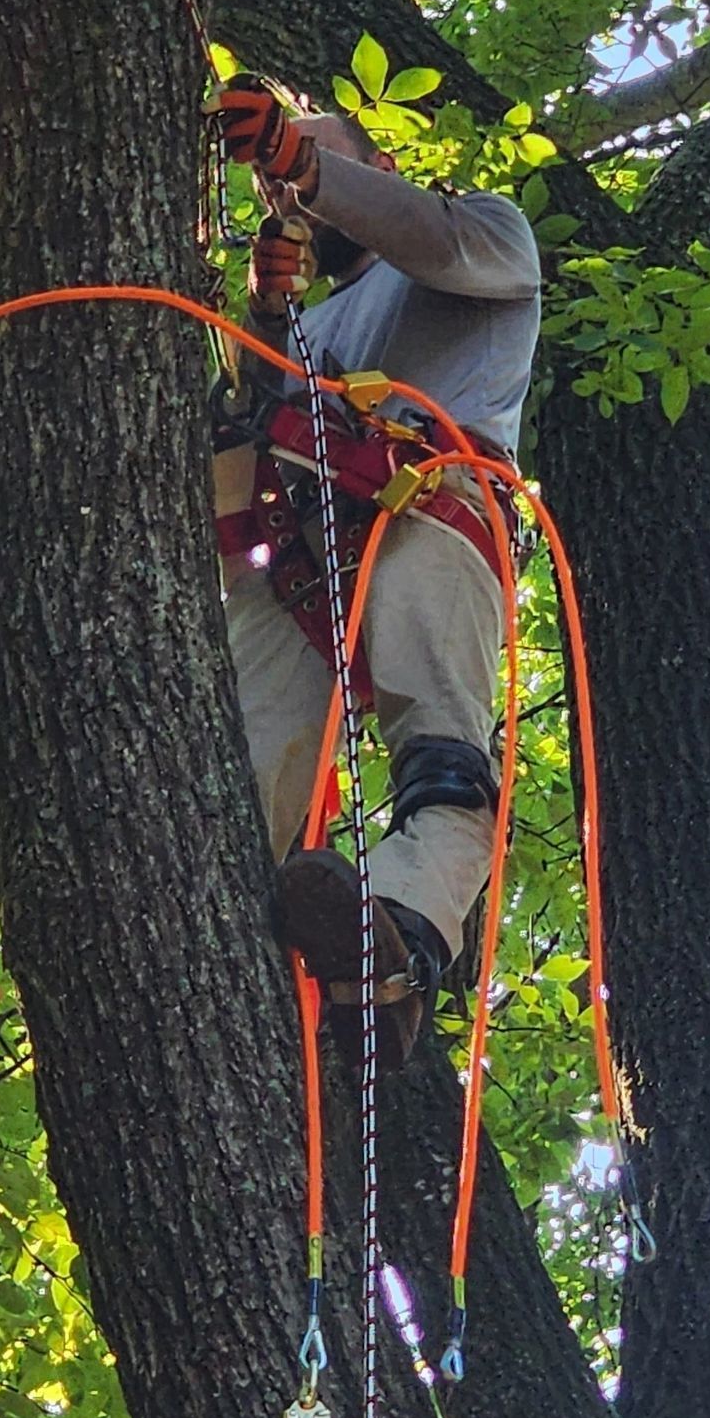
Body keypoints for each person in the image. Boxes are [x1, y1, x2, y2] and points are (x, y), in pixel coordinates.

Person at [206, 79, 541, 1068]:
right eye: (271, 185)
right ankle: (236, 968)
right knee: (236, 773)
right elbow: (245, 428)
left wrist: (304, 166)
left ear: (372, 167)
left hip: (430, 507)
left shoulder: (482, 234)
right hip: (301, 559)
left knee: (441, 758)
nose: (284, 195)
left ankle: (396, 950)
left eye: (307, 160)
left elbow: (431, 242)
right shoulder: (309, 325)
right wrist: (265, 325)